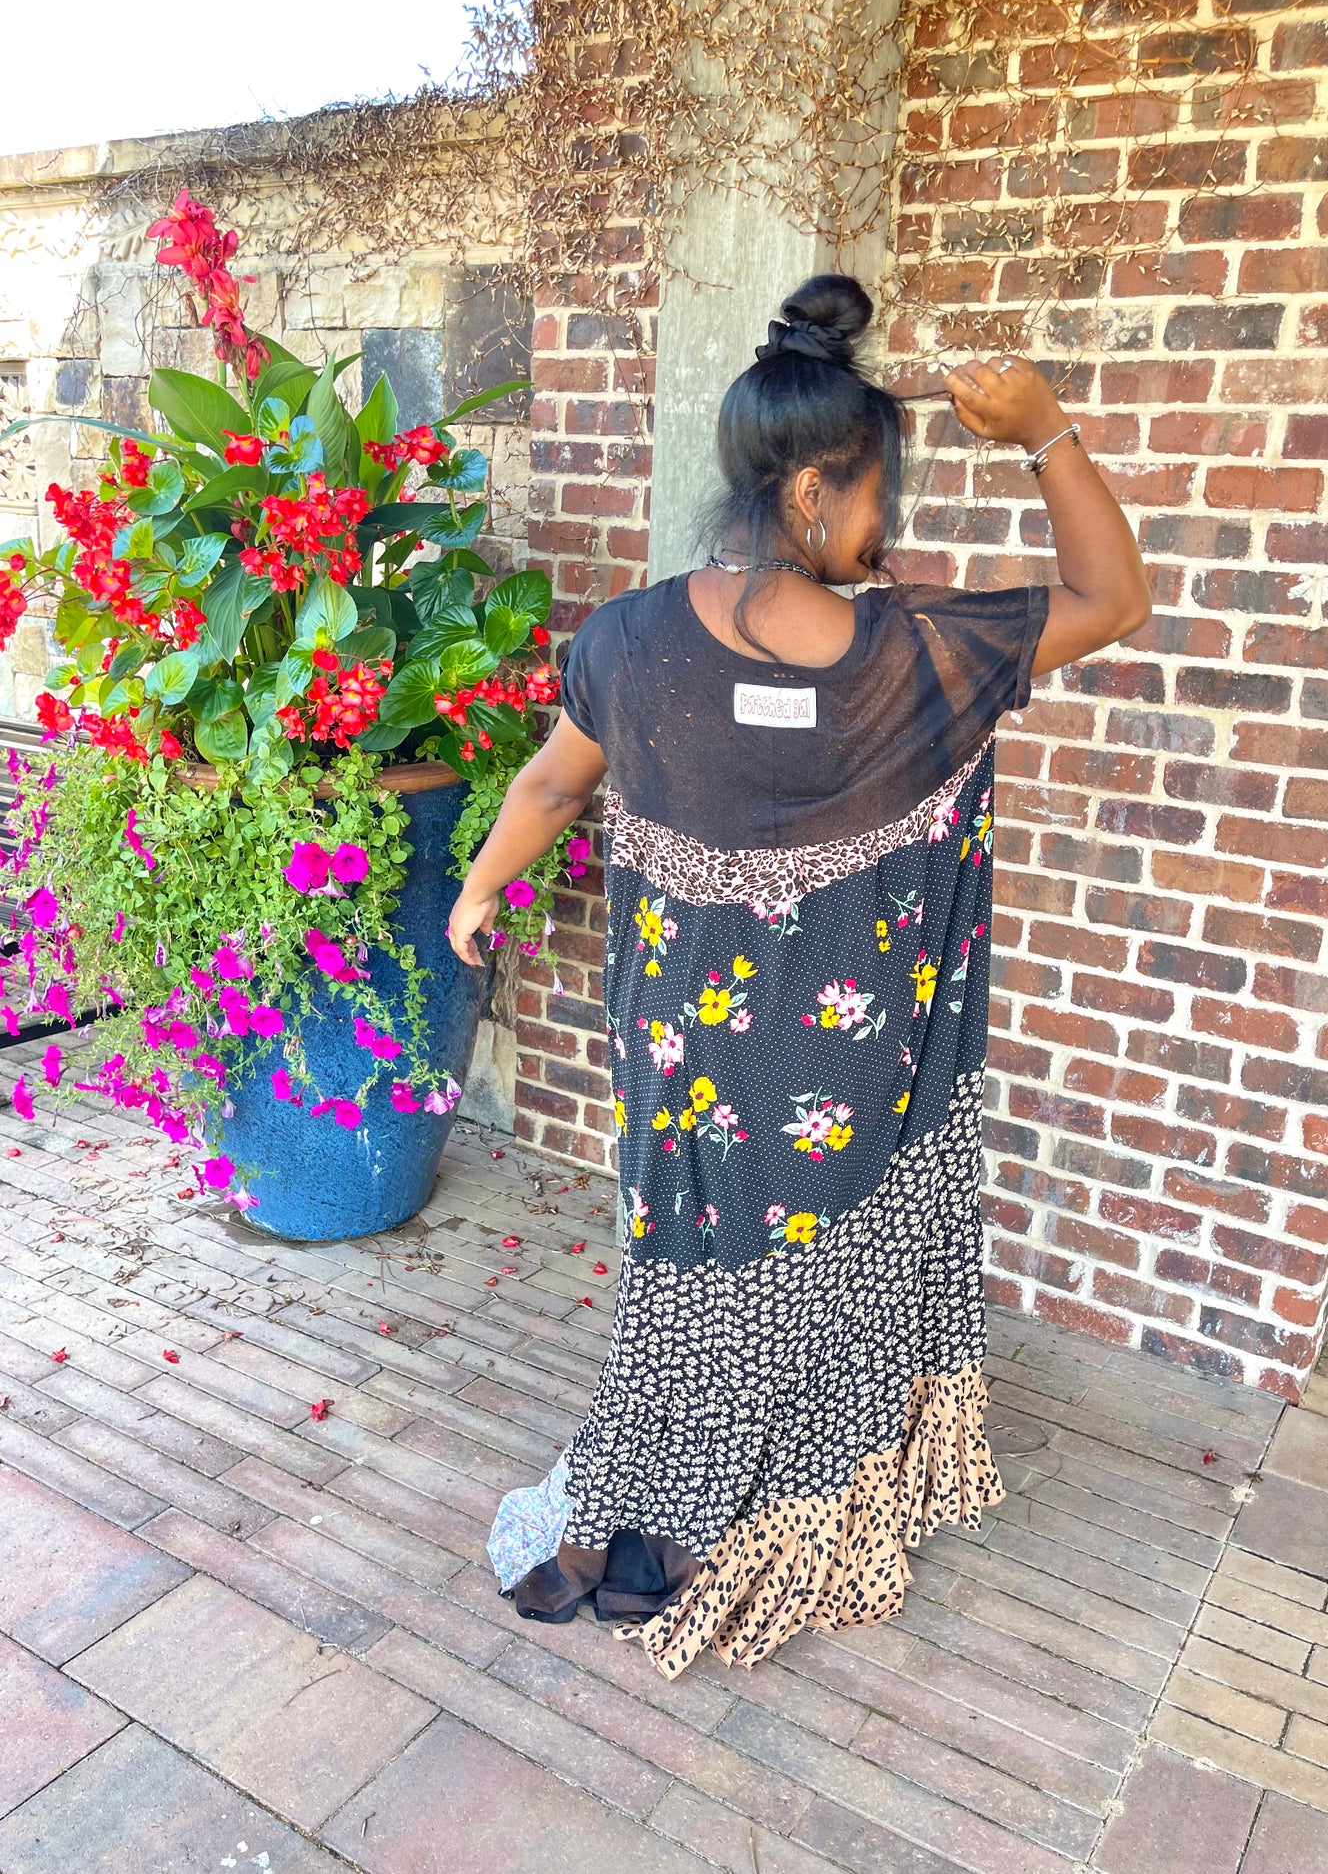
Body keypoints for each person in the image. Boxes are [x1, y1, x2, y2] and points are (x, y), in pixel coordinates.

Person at [446, 273, 1150, 1678]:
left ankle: (654, 1484)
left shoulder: (626, 641)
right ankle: (787, 1489)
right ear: (817, 491)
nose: (891, 530)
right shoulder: (918, 657)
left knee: (690, 1264)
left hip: (680, 1051)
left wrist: (478, 885)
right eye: (881, 498)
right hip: (847, 1060)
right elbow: (1111, 596)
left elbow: (550, 783)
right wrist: (1045, 431)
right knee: (824, 1266)